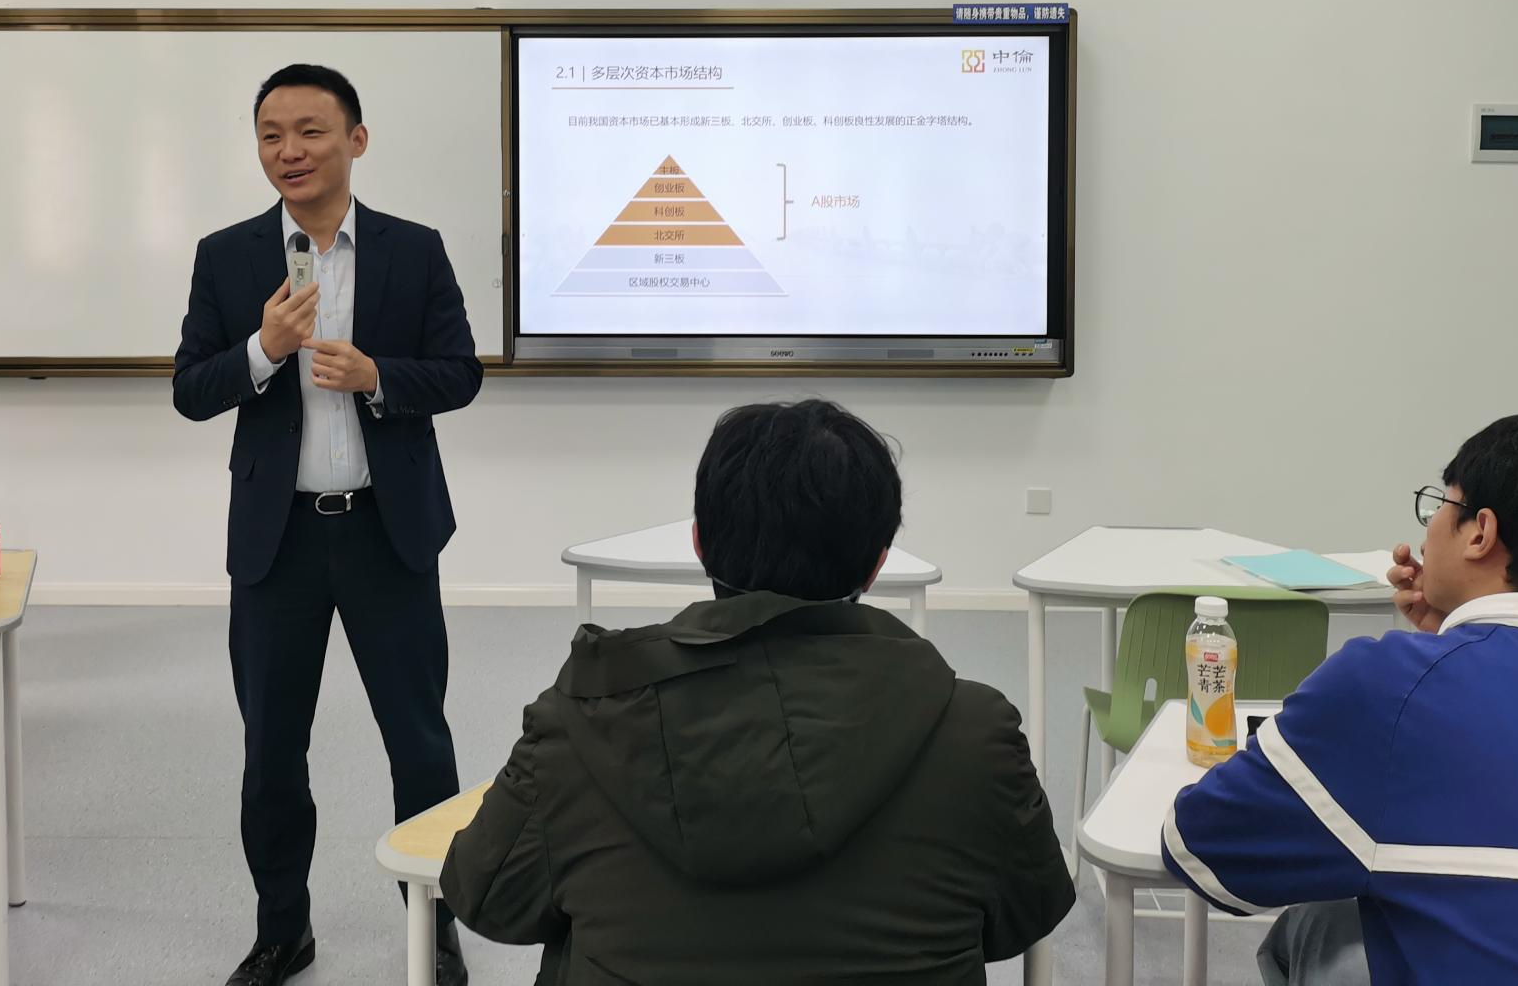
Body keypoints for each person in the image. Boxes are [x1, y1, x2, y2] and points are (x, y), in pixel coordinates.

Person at [440, 399, 1075, 984]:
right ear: (879, 561)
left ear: (698, 542)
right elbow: (1027, 913)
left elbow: (486, 898)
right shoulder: (976, 733)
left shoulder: (579, 726)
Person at [174, 64, 483, 986]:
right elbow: (191, 389)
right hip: (279, 544)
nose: (289, 151)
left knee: (419, 743)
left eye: (310, 131)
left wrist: (377, 376)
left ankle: (434, 928)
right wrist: (261, 350)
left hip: (389, 532)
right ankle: (282, 931)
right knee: (272, 750)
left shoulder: (413, 250)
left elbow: (460, 372)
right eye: (271, 135)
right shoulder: (227, 256)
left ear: (356, 139)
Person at [1161, 414, 1518, 986]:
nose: (1425, 537)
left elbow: (1198, 845)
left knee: (1318, 923)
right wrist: (1449, 640)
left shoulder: (1389, 686)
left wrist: (1431, 661)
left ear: (1480, 533)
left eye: (1439, 508)